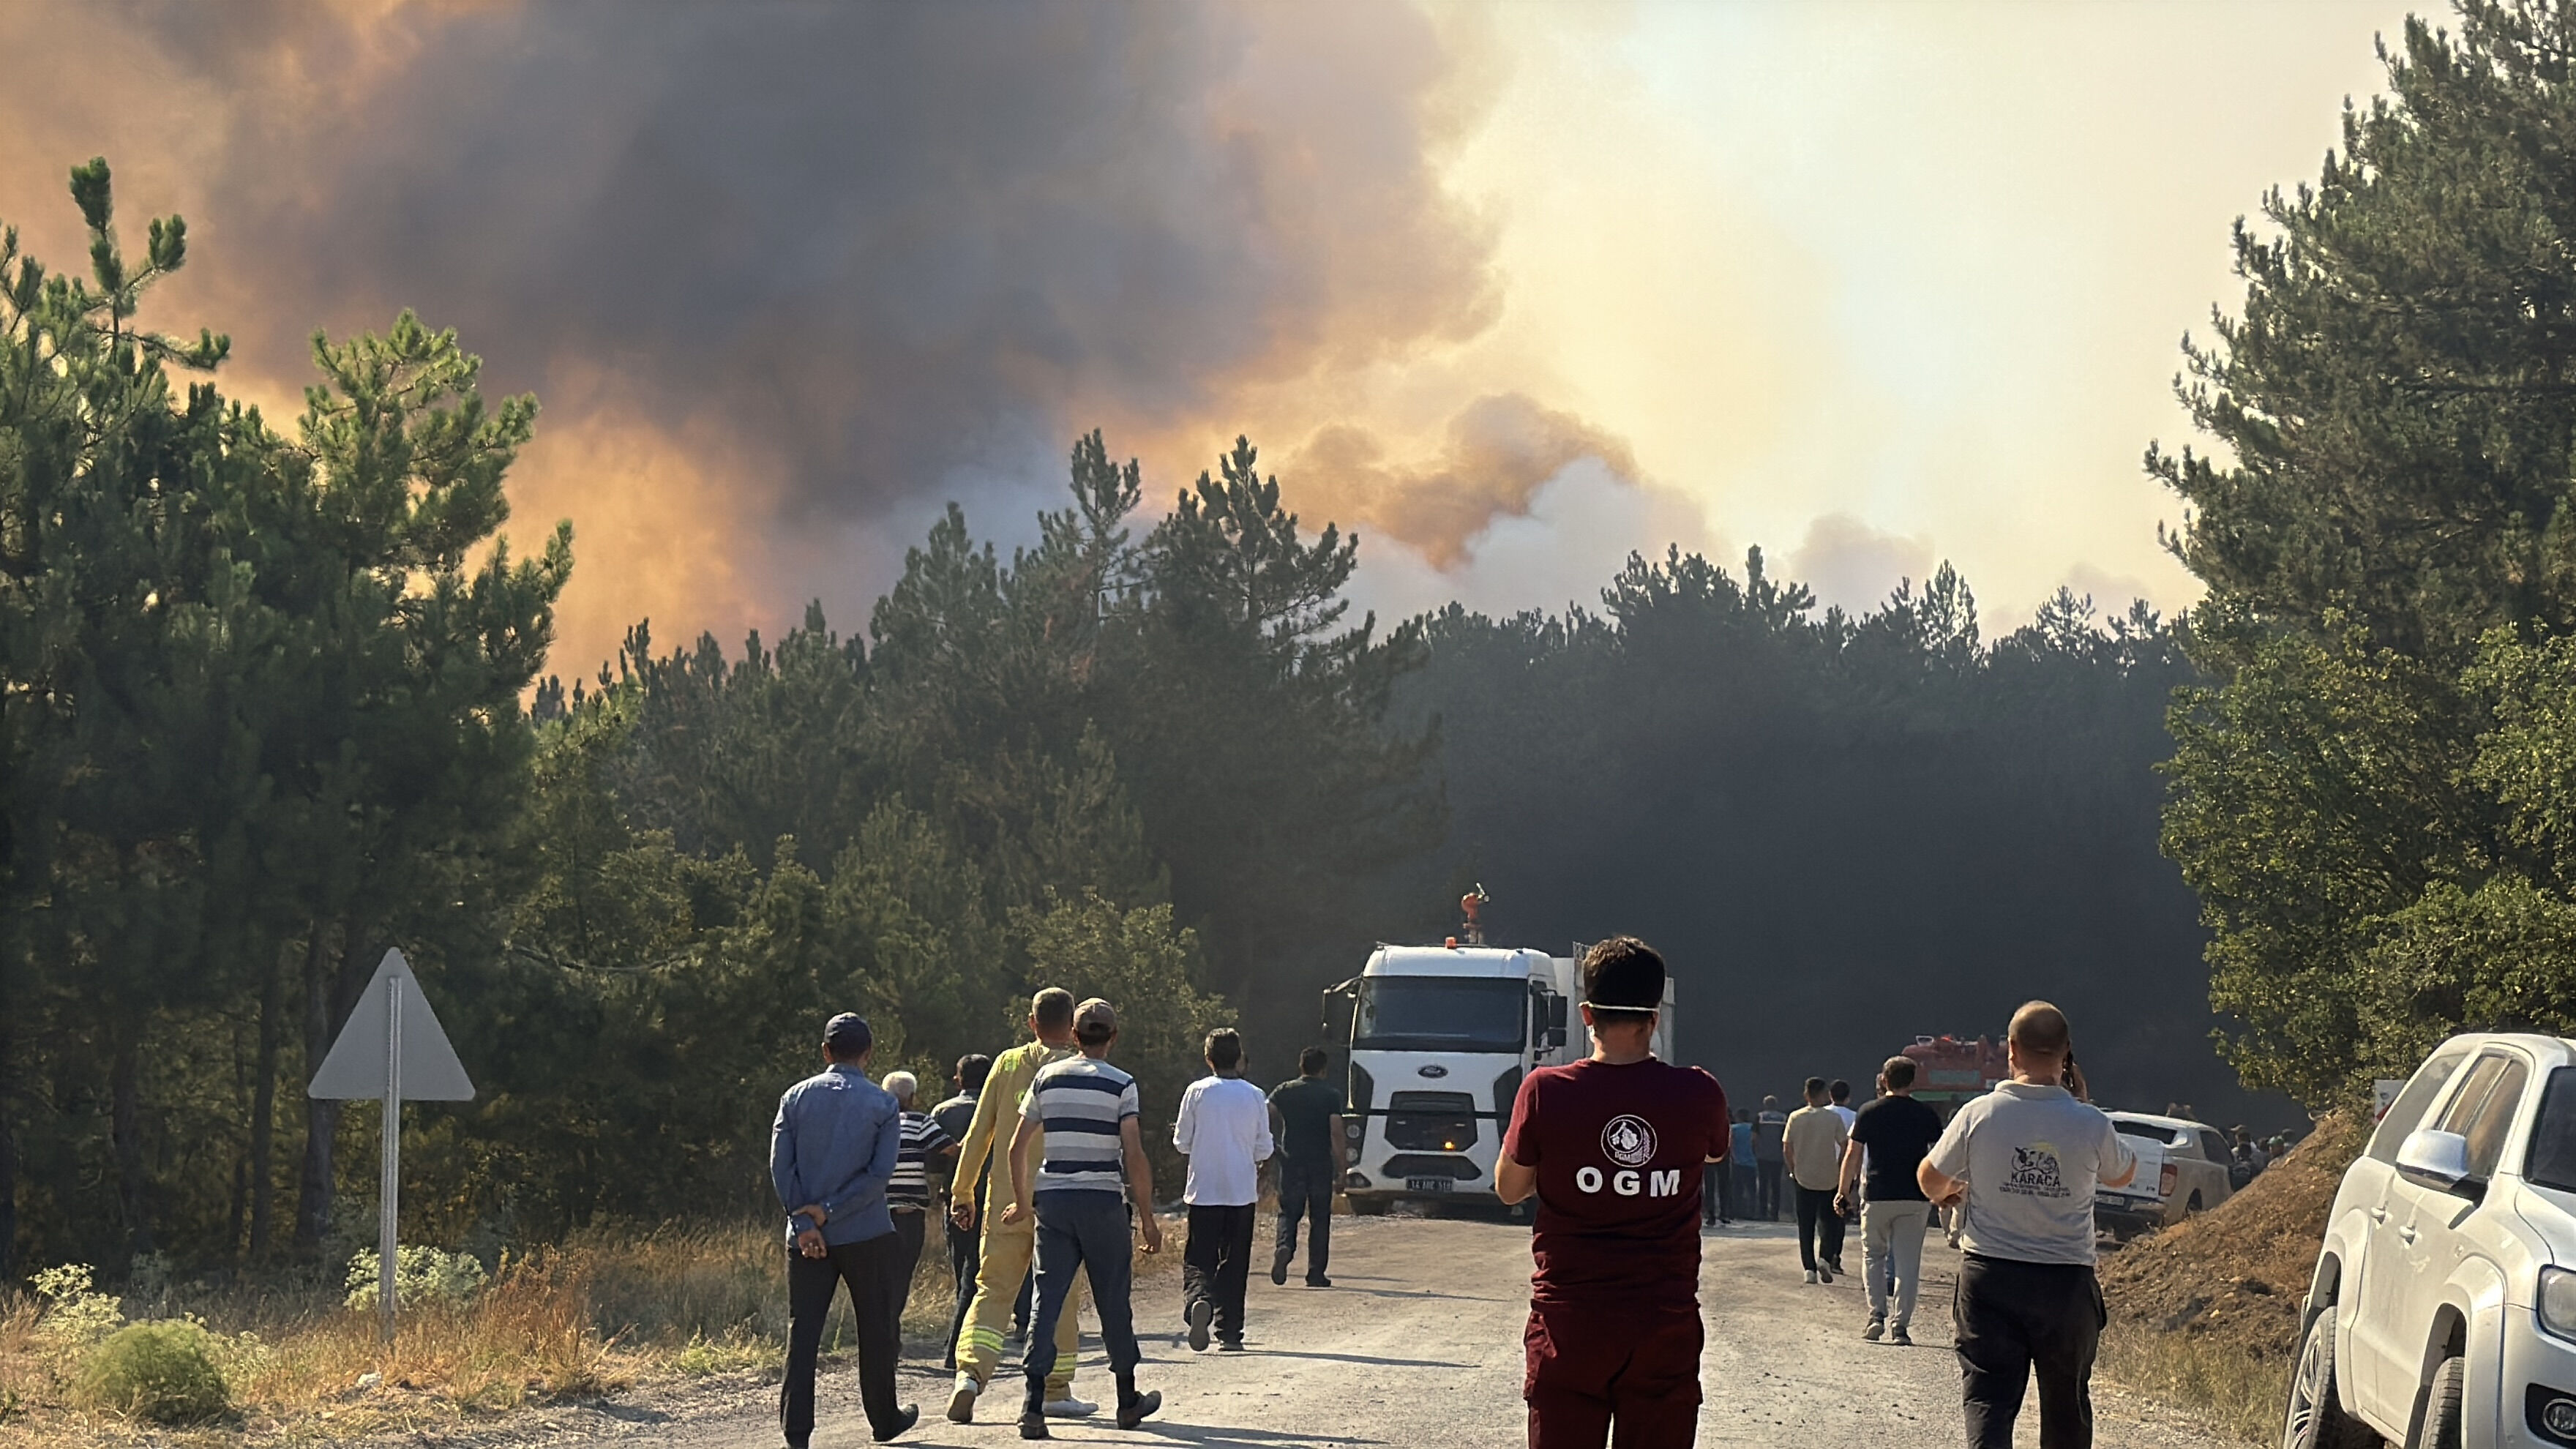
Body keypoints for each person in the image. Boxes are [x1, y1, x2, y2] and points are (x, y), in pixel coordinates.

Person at [1497, 936, 1728, 1449]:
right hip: (1663, 1320)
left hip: (1570, 1320)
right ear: (1655, 1018)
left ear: (1586, 1014)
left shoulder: (1545, 1090)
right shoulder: (1699, 1092)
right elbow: (1713, 1154)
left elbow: (1509, 1190)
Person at [1919, 1001, 2138, 1449]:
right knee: (2065, 1407)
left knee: (1988, 1398)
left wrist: (1950, 1193)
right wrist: (2083, 1106)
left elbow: (1929, 1178)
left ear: (2011, 1049)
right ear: (2067, 1052)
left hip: (1990, 1275)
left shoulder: (1980, 1113)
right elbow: (2123, 1174)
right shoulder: (2091, 1122)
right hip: (2066, 1283)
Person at [1005, 997, 1164, 1439]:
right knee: (1113, 1299)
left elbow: (1017, 1147)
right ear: (1113, 1037)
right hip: (1102, 1203)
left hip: (1054, 1202)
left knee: (1046, 1299)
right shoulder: (1122, 1084)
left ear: (1074, 1036)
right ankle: (1127, 1400)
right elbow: (1133, 1154)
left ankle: (1033, 1405)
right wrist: (1148, 1217)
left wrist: (1023, 1202)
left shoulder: (1047, 1077)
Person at [770, 1012, 918, 1447]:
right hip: (866, 1232)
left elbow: (781, 1166)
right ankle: (884, 1418)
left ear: (825, 1052)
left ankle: (797, 1431)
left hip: (805, 1238)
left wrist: (805, 1221)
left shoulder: (794, 1097)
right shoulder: (883, 1105)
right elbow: (879, 1176)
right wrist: (830, 1210)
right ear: (868, 1053)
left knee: (804, 1330)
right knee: (876, 1327)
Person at [946, 991, 1090, 1426]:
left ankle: (970, 1376)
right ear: (1072, 1025)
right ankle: (1056, 1389)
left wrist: (962, 1192)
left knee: (991, 1289)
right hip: (1061, 1202)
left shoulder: (1007, 1064)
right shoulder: (1081, 1068)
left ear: (1031, 1022)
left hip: (1007, 1200)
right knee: (1059, 1294)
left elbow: (979, 1132)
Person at [1175, 1027, 1272, 1351]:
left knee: (1199, 1257)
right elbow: (1264, 1147)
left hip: (1204, 1190)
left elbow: (1182, 1142)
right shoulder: (1255, 1095)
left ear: (1208, 1058)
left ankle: (1198, 1300)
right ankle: (1229, 1332)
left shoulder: (1197, 1092)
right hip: (1241, 1192)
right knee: (1235, 1262)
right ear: (1239, 1058)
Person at [1838, 1056, 1945, 1346]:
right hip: (1914, 1196)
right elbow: (1940, 1157)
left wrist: (1843, 1190)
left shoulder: (1869, 1111)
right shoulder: (1926, 1114)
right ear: (1913, 1082)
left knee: (1873, 1255)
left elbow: (1852, 1155)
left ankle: (1876, 1316)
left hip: (1877, 1193)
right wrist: (1941, 1192)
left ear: (1884, 1080)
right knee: (1908, 1264)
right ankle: (1901, 1327)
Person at [882, 1071, 959, 1358]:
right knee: (900, 1277)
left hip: (875, 1215)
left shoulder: (874, 1121)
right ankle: (889, 1340)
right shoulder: (919, 1122)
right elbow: (951, 1149)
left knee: (880, 1279)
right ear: (912, 1097)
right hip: (908, 1213)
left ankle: (885, 1341)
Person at [930, 1054, 992, 1372]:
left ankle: (959, 1337)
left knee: (963, 1268)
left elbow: (932, 1158)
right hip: (995, 1198)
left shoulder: (944, 1112)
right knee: (991, 1269)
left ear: (958, 1080)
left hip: (958, 1200)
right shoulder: (1001, 1109)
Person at [1268, 1046, 1346, 1287]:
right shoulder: (1330, 1095)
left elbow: (1265, 1114)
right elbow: (1336, 1132)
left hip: (1291, 1161)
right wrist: (1342, 1168)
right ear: (1323, 1070)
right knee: (1320, 1218)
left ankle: (1284, 1247)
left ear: (1301, 1066)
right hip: (1320, 1163)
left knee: (1289, 1212)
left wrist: (1270, 1145)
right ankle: (1315, 1273)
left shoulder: (1284, 1091)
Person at [1783, 1077, 1848, 1284]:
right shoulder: (1833, 1118)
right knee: (1829, 1221)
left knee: (1806, 1225)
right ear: (1824, 1094)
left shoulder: (1795, 1117)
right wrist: (1839, 1166)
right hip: (1829, 1176)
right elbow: (1845, 1145)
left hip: (1803, 1177)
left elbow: (1787, 1147)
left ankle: (1809, 1269)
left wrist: (1793, 1169)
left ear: (1806, 1095)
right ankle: (1825, 1258)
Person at [1753, 1096, 1787, 1221]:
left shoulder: (1760, 1117)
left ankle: (1763, 1212)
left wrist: (1756, 1151)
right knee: (1776, 1185)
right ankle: (1775, 1213)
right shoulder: (1783, 1118)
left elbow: (1754, 1137)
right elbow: (1786, 1139)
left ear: (1765, 1105)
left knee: (1763, 1184)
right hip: (1778, 1156)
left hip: (1763, 1156)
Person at [1728, 1109, 1756, 1219]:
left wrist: (1732, 1157)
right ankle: (1752, 1212)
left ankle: (1736, 1211)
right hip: (1751, 1162)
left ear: (1738, 1117)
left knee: (1737, 1189)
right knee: (1751, 1189)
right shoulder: (1752, 1128)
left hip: (1737, 1162)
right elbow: (1755, 1142)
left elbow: (1731, 1144)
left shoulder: (1734, 1128)